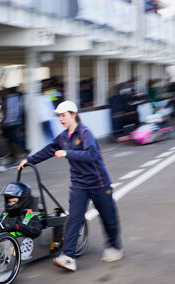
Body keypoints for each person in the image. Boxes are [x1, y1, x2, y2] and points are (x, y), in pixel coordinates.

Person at [18, 101, 122, 271]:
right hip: (79, 184)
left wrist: (67, 153)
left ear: (73, 114)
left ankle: (115, 246)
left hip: (99, 183)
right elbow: (49, 149)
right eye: (59, 116)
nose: (61, 119)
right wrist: (29, 160)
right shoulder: (64, 136)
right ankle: (68, 257)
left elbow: (91, 154)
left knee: (108, 217)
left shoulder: (85, 132)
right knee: (74, 219)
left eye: (63, 115)